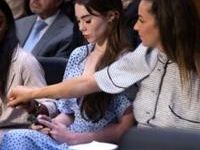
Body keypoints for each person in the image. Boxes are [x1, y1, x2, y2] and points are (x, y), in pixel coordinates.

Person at [7, 0, 199, 130]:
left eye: (141, 20)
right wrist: (34, 98)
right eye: (79, 21)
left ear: (166, 23)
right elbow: (87, 84)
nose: (135, 27)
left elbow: (123, 122)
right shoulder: (144, 54)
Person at [1, 0, 134, 149]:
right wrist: (52, 126)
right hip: (68, 140)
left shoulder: (125, 62)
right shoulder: (79, 55)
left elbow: (125, 127)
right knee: (16, 137)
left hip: (96, 145)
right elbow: (68, 113)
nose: (81, 27)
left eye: (88, 20)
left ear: (111, 16)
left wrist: (76, 138)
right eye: (78, 21)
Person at [0, 0, 54, 142]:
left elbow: (50, 105)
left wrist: (33, 107)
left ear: (6, 26)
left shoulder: (24, 61)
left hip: (15, 134)